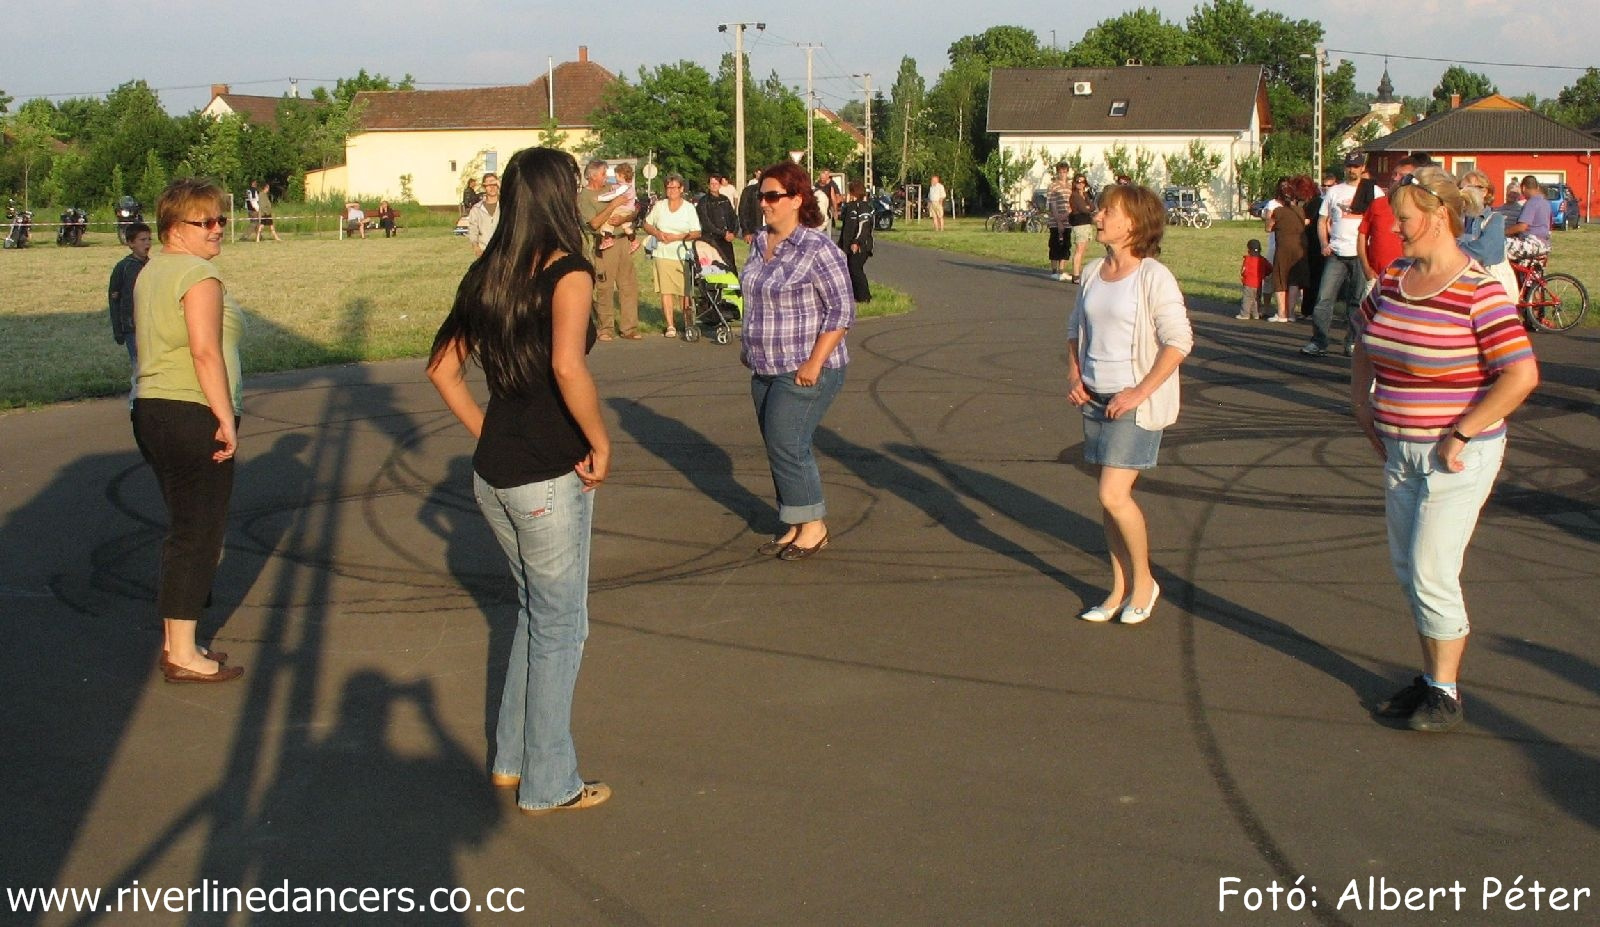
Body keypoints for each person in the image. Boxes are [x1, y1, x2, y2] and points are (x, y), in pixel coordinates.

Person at [426, 146, 613, 814]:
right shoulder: (569, 272)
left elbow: (442, 369)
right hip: (546, 477)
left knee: (535, 614)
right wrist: (599, 439)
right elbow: (568, 366)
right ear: (562, 197)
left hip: (494, 475)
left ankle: (511, 758)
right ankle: (549, 781)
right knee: (563, 626)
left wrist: (488, 430)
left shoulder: (488, 270)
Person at [1350, 166, 1539, 733]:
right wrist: (1362, 401)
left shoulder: (1478, 290)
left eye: (1402, 218)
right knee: (1410, 569)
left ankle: (1445, 692)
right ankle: (1431, 675)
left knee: (1433, 571)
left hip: (1458, 454)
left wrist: (1461, 432)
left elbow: (1521, 376)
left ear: (1436, 218)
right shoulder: (1393, 279)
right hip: (1400, 449)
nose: (1393, 227)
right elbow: (1365, 337)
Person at [131, 178, 246, 684]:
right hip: (191, 410)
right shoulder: (198, 276)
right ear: (175, 229)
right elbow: (205, 351)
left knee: (188, 526)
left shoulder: (151, 272)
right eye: (207, 222)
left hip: (153, 408)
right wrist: (224, 417)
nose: (218, 229)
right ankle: (180, 653)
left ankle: (181, 639)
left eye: (221, 219)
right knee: (198, 533)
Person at [1066, 183, 1193, 624]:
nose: (1098, 217)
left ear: (1134, 223)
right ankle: (1117, 589)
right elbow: (1074, 327)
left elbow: (1179, 341)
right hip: (1095, 398)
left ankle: (1145, 583)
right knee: (1108, 503)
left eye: (1107, 211)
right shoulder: (1093, 272)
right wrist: (1075, 372)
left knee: (1113, 494)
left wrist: (1140, 391)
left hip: (1134, 404)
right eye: (1099, 210)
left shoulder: (1153, 276)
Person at [742, 161, 856, 561]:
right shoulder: (758, 243)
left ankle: (815, 526)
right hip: (764, 366)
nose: (765, 203)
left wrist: (813, 363)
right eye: (761, 195)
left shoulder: (818, 248)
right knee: (777, 445)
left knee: (788, 442)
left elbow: (841, 312)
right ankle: (795, 522)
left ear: (797, 199)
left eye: (773, 196)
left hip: (807, 367)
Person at [1304, 154, 1371, 356]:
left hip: (1360, 253)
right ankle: (1319, 341)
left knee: (1357, 301)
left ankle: (1352, 341)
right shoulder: (1334, 191)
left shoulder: (1371, 191)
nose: (1352, 170)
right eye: (1349, 166)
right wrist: (1324, 243)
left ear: (1362, 168)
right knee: (1324, 299)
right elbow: (1322, 220)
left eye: (1356, 166)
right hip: (1336, 252)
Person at [578, 159, 641, 342]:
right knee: (605, 287)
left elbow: (634, 207)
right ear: (592, 176)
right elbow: (594, 223)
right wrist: (612, 206)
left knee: (628, 285)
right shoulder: (585, 197)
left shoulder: (613, 188)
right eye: (604, 174)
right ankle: (606, 327)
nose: (607, 178)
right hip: (605, 244)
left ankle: (629, 327)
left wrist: (625, 218)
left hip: (622, 240)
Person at [640, 174, 701, 338]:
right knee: (666, 291)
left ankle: (688, 323)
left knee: (684, 292)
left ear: (681, 189)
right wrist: (657, 233)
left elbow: (696, 232)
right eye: (668, 187)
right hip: (662, 253)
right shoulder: (659, 206)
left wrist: (677, 237)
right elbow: (646, 223)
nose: (671, 191)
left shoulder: (689, 208)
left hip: (682, 254)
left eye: (674, 187)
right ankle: (670, 325)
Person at [1457, 169, 1517, 299]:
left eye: (1468, 188)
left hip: (1492, 284)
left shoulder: (1494, 219)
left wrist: (1452, 248)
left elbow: (1483, 252)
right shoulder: (1459, 219)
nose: (1462, 193)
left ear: (1484, 192)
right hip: (1466, 281)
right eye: (1461, 188)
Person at [109, 221, 153, 370]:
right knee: (139, 368)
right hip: (132, 327)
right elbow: (114, 300)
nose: (147, 244)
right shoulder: (124, 267)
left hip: (152, 326)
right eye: (142, 240)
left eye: (149, 239)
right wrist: (118, 329)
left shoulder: (153, 266)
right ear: (130, 243)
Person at [1266, 177, 1309, 323]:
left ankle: (1281, 313)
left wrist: (1270, 219)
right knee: (1294, 281)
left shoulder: (1277, 211)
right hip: (1299, 249)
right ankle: (1291, 313)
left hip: (1283, 247)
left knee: (1280, 279)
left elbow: (1268, 228)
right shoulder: (1300, 211)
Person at [1356, 175, 1402, 304]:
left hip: (1404, 278)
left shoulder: (1417, 208)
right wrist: (1366, 268)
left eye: (1402, 177)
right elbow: (1362, 234)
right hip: (1375, 276)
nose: (1396, 179)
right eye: (1394, 176)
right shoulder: (1378, 204)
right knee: (1364, 318)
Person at [837, 180, 874, 302]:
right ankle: (854, 296)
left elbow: (863, 227)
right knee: (848, 270)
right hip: (846, 245)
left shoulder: (863, 207)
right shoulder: (850, 206)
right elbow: (843, 223)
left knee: (855, 268)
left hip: (861, 246)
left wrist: (856, 242)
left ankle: (865, 297)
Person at [1504, 175, 1552, 261]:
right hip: (1544, 243)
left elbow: (1522, 226)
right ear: (1537, 187)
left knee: (1498, 249)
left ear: (1523, 188)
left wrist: (1503, 232)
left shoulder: (1531, 202)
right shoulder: (1545, 203)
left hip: (1531, 243)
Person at [696, 173, 739, 269]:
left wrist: (733, 233)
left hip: (726, 241)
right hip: (711, 240)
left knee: (730, 268)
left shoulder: (725, 200)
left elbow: (733, 218)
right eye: (712, 183)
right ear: (708, 185)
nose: (714, 186)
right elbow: (706, 223)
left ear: (720, 185)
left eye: (716, 183)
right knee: (714, 269)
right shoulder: (703, 202)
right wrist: (723, 233)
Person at [1045, 163, 1073, 281]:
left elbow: (1072, 203)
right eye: (1060, 172)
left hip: (1067, 220)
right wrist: (1058, 220)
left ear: (1067, 172)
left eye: (1064, 172)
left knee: (1066, 245)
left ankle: (1061, 270)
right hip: (1055, 220)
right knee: (1055, 244)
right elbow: (1052, 204)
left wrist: (1066, 216)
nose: (1062, 174)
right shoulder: (1053, 186)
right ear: (1057, 172)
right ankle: (1054, 270)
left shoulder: (1071, 187)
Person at [466, 173, 501, 256]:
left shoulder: (506, 206)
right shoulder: (476, 210)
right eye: (489, 185)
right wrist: (476, 247)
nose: (492, 188)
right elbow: (473, 230)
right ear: (484, 187)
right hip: (484, 252)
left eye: (494, 184)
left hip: (503, 252)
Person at [1236, 239, 1269, 320]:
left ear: (1249, 250)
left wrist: (1243, 276)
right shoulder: (1263, 260)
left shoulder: (1247, 259)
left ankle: (1245, 314)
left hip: (1248, 284)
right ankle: (1256, 314)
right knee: (1256, 299)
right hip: (1258, 284)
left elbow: (1243, 271)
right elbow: (1269, 268)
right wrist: (1265, 274)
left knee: (1247, 299)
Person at [738, 169, 763, 242]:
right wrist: (746, 231)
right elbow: (743, 211)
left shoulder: (776, 192)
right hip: (755, 231)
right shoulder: (749, 191)